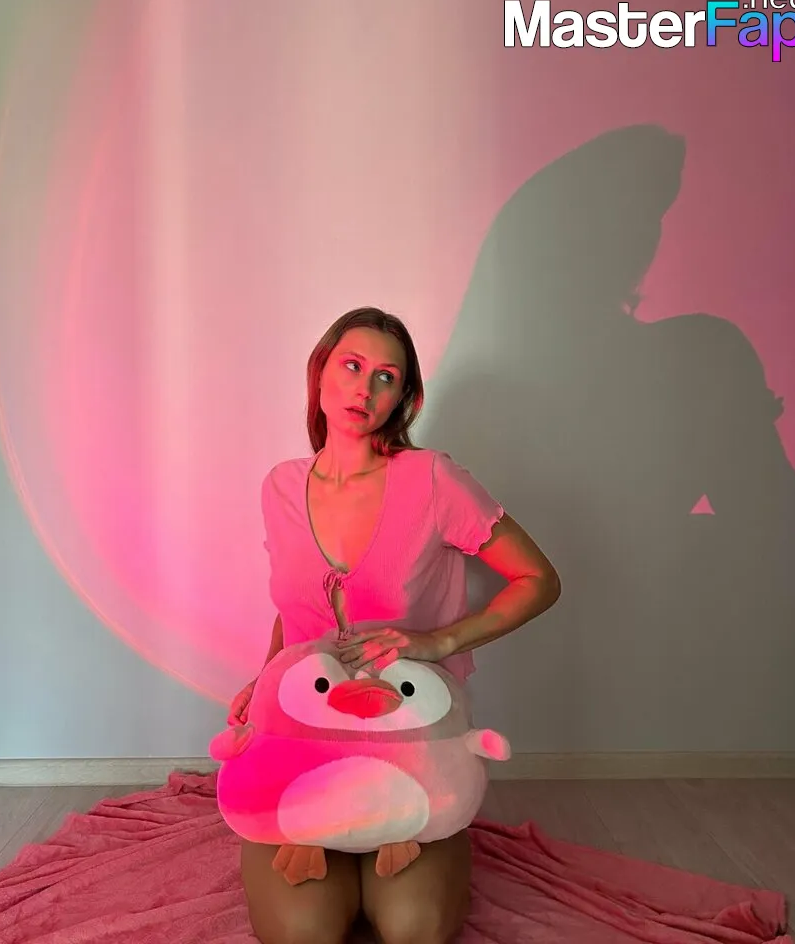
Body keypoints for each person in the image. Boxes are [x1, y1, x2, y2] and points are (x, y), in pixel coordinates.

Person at [227, 306, 561, 944]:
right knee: (303, 934)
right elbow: (293, 610)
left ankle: (406, 837)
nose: (366, 388)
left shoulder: (433, 480)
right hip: (305, 744)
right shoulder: (280, 487)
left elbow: (539, 579)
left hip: (409, 744)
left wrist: (441, 641)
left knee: (414, 929)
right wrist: (266, 679)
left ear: (404, 396)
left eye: (387, 377)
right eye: (352, 366)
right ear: (321, 372)